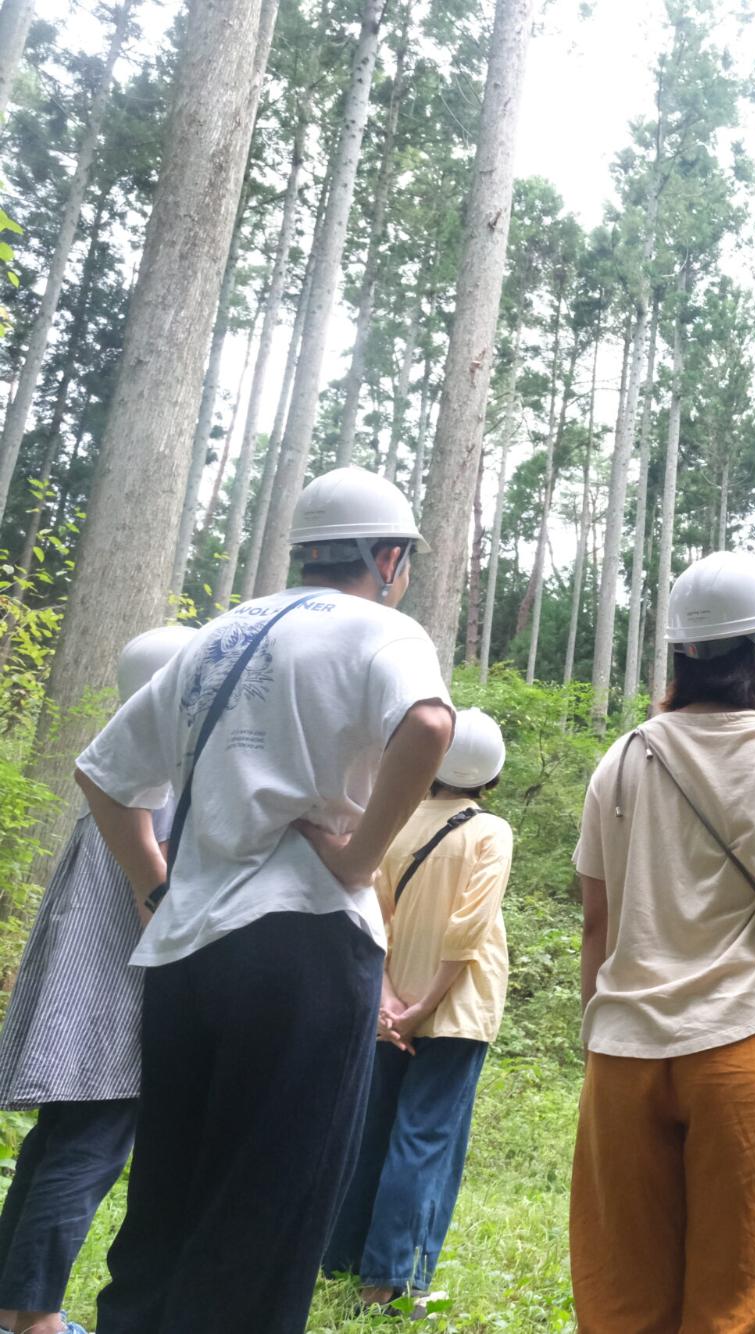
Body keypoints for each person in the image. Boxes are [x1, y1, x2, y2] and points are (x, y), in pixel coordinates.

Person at [73, 466, 455, 1333]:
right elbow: (430, 725)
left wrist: (153, 884)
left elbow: (103, 774)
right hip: (306, 946)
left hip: (187, 951)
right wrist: (359, 858)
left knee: (167, 1193)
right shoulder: (381, 629)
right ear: (388, 556)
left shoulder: (216, 636)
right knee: (272, 1198)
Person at [569, 549, 755, 1333]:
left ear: (682, 653)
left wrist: (599, 1031)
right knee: (737, 1299)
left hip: (625, 1050)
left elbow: (597, 925)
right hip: (751, 1043)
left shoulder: (624, 759)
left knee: (623, 1296)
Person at [0, 626, 194, 1334]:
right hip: (117, 1004)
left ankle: (12, 1310)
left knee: (55, 1148)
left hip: (79, 998)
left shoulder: (117, 768)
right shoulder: (165, 777)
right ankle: (37, 1319)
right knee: (84, 1157)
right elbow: (170, 895)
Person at [325, 707, 514, 1312]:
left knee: (374, 1131)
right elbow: (469, 930)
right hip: (455, 1010)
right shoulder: (491, 832)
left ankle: (342, 1260)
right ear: (491, 772)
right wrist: (427, 1004)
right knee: (426, 1139)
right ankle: (390, 1281)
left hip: (387, 1009)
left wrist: (388, 1003)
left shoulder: (396, 822)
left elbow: (370, 913)